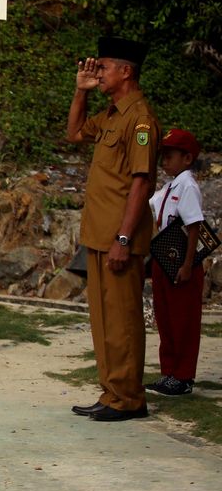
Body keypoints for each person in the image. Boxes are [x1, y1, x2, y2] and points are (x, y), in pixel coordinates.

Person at [65, 36, 160, 422]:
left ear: (126, 71)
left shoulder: (140, 120)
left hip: (120, 237)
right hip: (99, 235)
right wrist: (80, 93)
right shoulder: (112, 114)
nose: (96, 72)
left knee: (123, 320)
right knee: (104, 321)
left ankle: (130, 398)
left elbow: (141, 182)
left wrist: (124, 237)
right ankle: (111, 392)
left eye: (103, 67)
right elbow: (74, 134)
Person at [145, 128, 206, 397]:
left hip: (182, 260)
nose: (164, 161)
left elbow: (194, 226)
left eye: (170, 156)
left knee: (183, 321)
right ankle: (168, 371)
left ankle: (183, 376)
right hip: (164, 258)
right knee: (166, 318)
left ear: (187, 158)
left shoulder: (188, 186)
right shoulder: (169, 187)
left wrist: (188, 264)